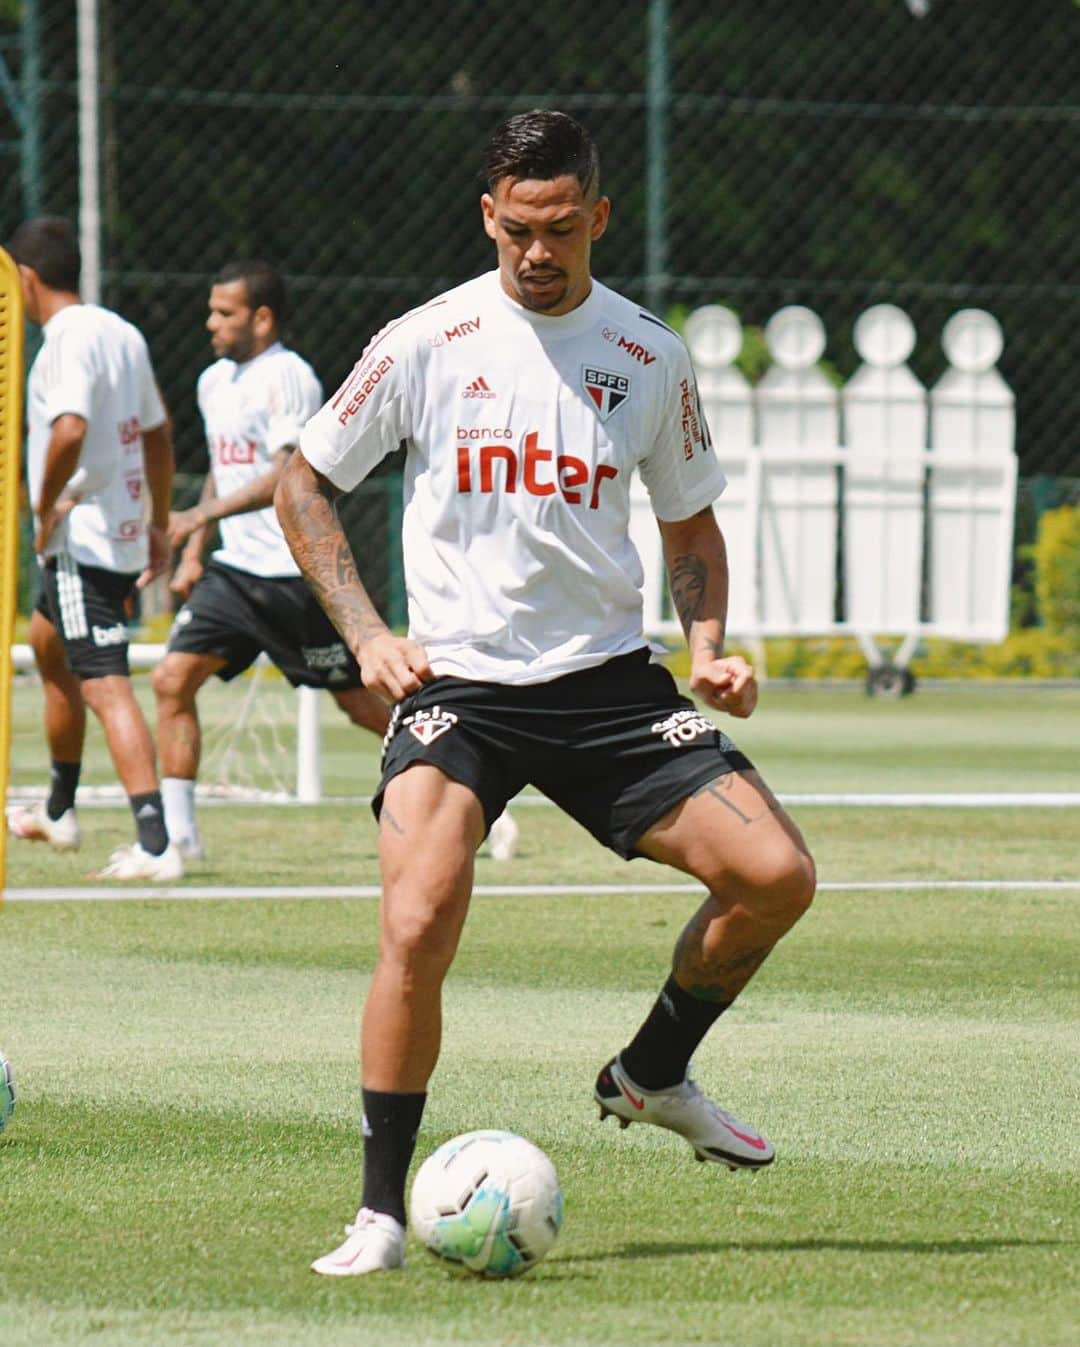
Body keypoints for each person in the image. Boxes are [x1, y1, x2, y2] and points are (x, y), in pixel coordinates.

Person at [275, 110, 816, 1277]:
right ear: (488, 217)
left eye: (561, 228)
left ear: (598, 219)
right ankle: (378, 1214)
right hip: (460, 684)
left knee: (777, 877)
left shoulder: (646, 355)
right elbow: (305, 483)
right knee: (416, 919)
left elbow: (691, 523)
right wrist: (368, 635)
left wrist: (709, 640)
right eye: (518, 228)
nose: (537, 250)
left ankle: (653, 1073)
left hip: (608, 683)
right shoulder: (425, 340)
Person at [153, 260, 519, 862]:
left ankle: (472, 783)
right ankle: (177, 841)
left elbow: (283, 474)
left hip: (291, 578)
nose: (210, 322)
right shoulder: (213, 381)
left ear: (262, 318)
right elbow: (225, 463)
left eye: (225, 312)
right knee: (172, 679)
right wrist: (198, 552)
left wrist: (199, 516)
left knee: (360, 706)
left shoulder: (288, 377)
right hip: (234, 574)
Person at [5, 216, 184, 880]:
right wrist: (160, 521)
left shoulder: (64, 342)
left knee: (104, 681)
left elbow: (71, 428)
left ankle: (155, 843)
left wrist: (44, 503)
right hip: (116, 532)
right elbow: (160, 435)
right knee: (49, 646)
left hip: (85, 538)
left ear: (25, 279)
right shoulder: (121, 331)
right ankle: (59, 808)